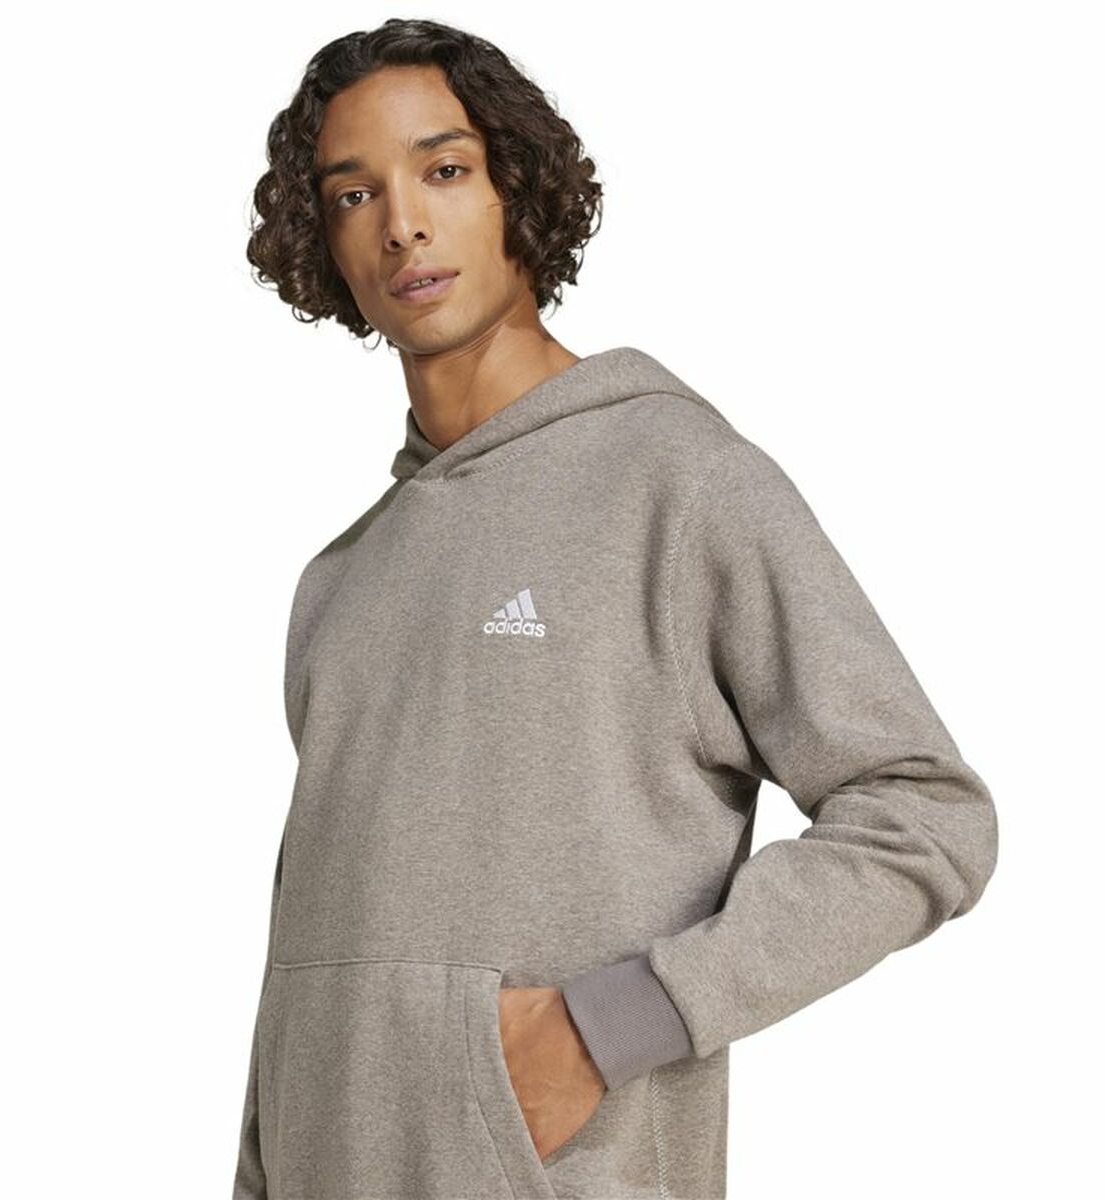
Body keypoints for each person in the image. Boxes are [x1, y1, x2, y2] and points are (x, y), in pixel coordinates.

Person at [231, 18, 998, 1200]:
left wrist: (612, 1027)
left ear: (516, 189)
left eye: (445, 170)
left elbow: (925, 814)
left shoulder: (677, 485)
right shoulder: (342, 580)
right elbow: (306, 970)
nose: (402, 224)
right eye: (352, 194)